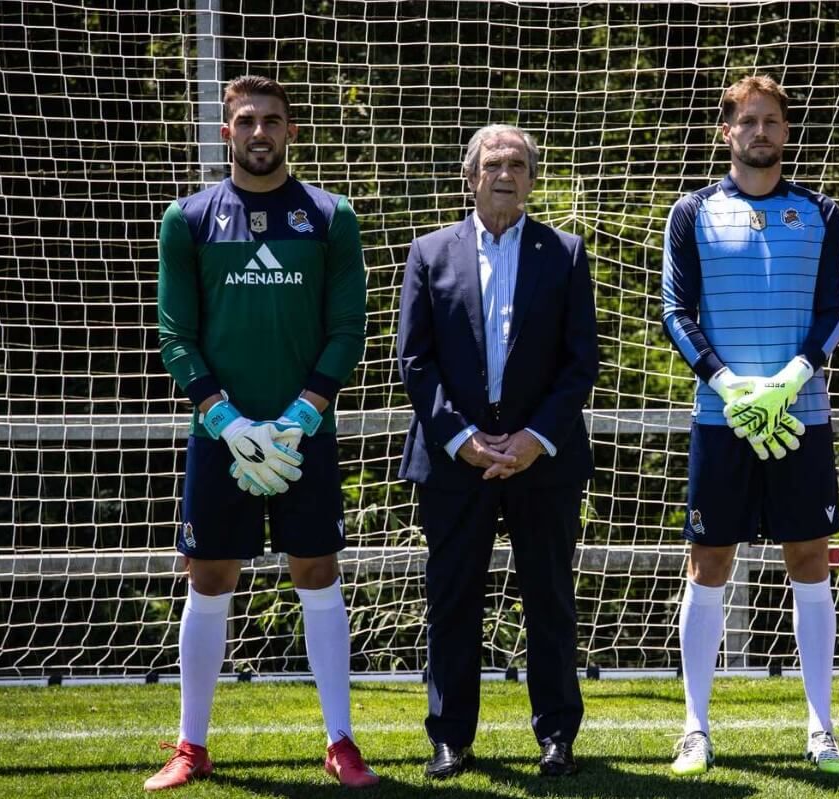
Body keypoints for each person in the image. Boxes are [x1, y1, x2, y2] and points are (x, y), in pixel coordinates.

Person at [149, 75, 376, 789]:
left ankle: (339, 740)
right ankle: (192, 744)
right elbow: (175, 334)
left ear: (291, 131)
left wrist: (300, 416)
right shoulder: (186, 219)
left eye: (272, 120)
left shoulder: (329, 216)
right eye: (244, 120)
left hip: (303, 432)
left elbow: (347, 329)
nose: (258, 131)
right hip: (221, 435)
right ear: (226, 132)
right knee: (209, 575)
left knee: (317, 571)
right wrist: (226, 421)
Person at [661, 75, 839, 776]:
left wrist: (788, 380)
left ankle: (822, 729)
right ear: (726, 132)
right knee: (707, 563)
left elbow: (834, 311)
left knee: (809, 562)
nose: (760, 132)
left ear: (786, 132)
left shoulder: (821, 211)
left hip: (799, 416)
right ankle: (694, 728)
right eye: (748, 121)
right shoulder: (691, 212)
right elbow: (676, 312)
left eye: (772, 121)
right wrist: (730, 384)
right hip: (722, 418)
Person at [396, 124, 599, 779]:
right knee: (452, 599)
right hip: (454, 460)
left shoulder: (565, 252)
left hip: (544, 460)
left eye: (516, 163)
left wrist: (534, 438)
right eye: (492, 163)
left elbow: (580, 360)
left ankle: (556, 737)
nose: (504, 173)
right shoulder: (429, 252)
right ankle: (450, 738)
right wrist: (464, 440)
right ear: (470, 176)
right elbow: (415, 360)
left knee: (550, 600)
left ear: (532, 179)